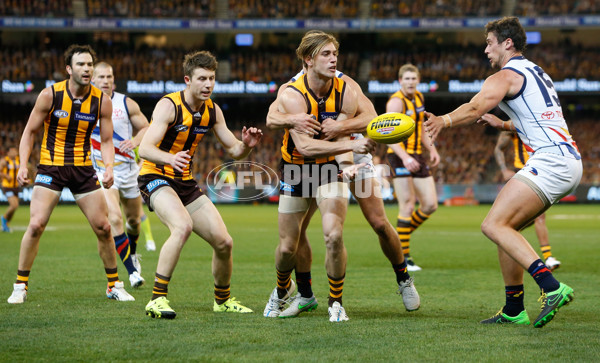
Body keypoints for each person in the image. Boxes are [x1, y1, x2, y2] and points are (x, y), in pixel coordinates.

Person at [424, 17, 582, 328]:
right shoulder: (537, 71)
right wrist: (505, 124)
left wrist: (442, 121)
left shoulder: (505, 76)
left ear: (507, 43)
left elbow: (474, 107)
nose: (485, 50)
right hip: (566, 158)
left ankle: (551, 286)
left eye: (489, 43)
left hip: (551, 161)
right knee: (506, 229)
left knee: (493, 224)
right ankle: (514, 309)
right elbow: (541, 119)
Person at [264, 39, 420, 318]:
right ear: (308, 60)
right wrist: (292, 120)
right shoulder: (293, 89)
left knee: (379, 223)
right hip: (315, 159)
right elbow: (272, 117)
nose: (334, 59)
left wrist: (341, 127)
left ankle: (403, 279)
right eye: (327, 54)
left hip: (354, 150)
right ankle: (305, 293)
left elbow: (371, 117)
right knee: (295, 236)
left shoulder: (345, 85)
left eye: (335, 54)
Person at [7, 44, 134, 304]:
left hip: (83, 169)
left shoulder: (102, 100)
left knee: (104, 227)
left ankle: (114, 285)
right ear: (69, 69)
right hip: (51, 168)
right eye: (81, 64)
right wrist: (22, 164)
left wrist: (109, 167)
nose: (86, 69)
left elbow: (107, 140)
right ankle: (20, 285)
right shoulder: (49, 95)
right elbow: (29, 132)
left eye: (89, 64)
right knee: (35, 225)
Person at [139, 50, 262, 319]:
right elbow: (145, 149)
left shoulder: (213, 111)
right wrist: (170, 158)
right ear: (188, 79)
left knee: (224, 242)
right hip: (155, 176)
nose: (208, 84)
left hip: (184, 182)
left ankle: (222, 300)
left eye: (212, 79)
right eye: (202, 79)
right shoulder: (168, 106)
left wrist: (247, 146)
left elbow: (234, 149)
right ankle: (157, 299)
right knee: (182, 226)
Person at [91, 62, 150, 288]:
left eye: (109, 76)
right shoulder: (85, 105)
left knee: (134, 222)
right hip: (104, 171)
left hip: (129, 171)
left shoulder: (125, 103)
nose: (106, 80)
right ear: (93, 79)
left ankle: (133, 252)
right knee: (114, 218)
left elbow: (146, 127)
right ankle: (132, 272)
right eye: (101, 77)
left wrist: (134, 142)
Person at [386, 64, 439, 271]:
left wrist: (432, 149)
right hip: (399, 156)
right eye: (406, 79)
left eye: (413, 79)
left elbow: (422, 128)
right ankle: (404, 257)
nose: (410, 82)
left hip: (416, 155)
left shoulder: (419, 98)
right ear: (400, 81)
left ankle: (399, 238)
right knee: (407, 204)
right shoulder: (396, 102)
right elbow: (388, 135)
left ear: (418, 80)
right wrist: (405, 157)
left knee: (430, 205)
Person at [491, 123, 561, 270]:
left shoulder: (537, 119)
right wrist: (504, 170)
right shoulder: (512, 123)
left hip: (540, 171)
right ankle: (547, 257)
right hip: (523, 172)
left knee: (515, 224)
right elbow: (498, 148)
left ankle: (509, 242)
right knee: (539, 216)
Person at [1, 147, 20, 232]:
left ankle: (6, 224)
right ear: (8, 152)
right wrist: (6, 176)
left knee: (16, 207)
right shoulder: (4, 161)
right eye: (13, 151)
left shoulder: (18, 160)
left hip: (16, 186)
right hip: (7, 186)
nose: (15, 152)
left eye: (15, 151)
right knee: (14, 205)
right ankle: (4, 218)